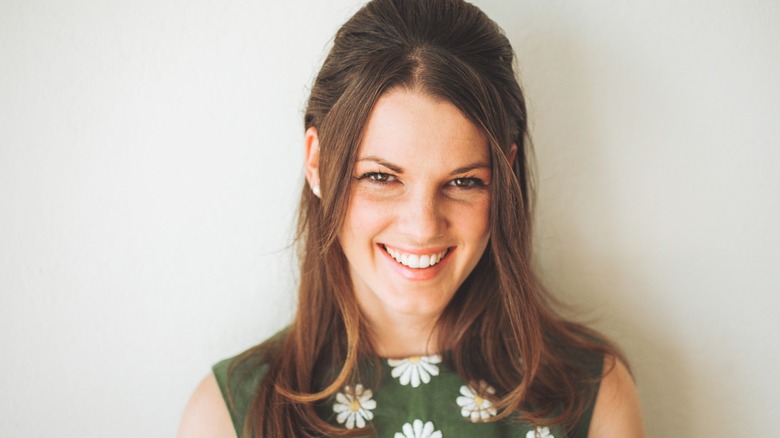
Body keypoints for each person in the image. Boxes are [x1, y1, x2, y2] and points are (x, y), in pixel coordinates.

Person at [179, 0, 645, 436]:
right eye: (381, 177)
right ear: (317, 163)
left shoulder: (591, 395)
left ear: (505, 177)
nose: (423, 226)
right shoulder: (230, 414)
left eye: (464, 182)